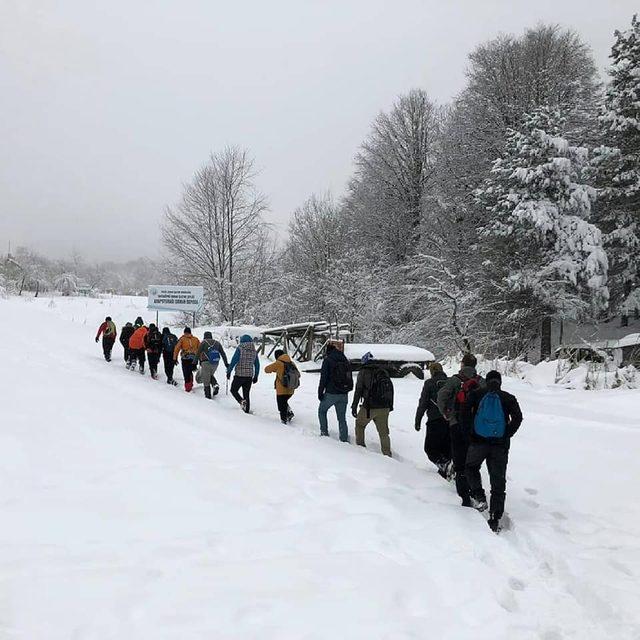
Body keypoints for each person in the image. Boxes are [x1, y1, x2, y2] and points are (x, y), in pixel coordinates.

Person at [463, 370, 523, 531]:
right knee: (498, 480)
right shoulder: (508, 398)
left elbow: (464, 414)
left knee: (470, 466)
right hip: (500, 445)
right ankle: (495, 516)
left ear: (487, 381)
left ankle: (479, 495)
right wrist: (506, 434)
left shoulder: (476, 394)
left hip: (478, 442)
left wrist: (470, 433)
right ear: (500, 382)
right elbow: (518, 417)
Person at [437, 353, 484, 507]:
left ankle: (464, 498)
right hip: (477, 428)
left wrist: (445, 413)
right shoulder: (481, 382)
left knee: (459, 461)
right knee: (472, 462)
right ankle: (476, 492)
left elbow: (441, 395)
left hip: (456, 424)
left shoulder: (455, 380)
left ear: (463, 365)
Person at [351, 352, 394, 457]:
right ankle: (387, 454)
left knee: (360, 425)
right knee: (384, 432)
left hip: (370, 407)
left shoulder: (364, 372)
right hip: (384, 406)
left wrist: (354, 405)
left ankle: (361, 449)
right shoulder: (383, 371)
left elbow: (359, 390)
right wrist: (390, 406)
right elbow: (390, 389)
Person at [415, 362, 453, 480]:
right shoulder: (451, 382)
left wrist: (418, 420)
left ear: (432, 372)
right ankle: (447, 471)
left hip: (434, 420)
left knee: (430, 448)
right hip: (451, 421)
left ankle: (445, 466)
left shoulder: (429, 383)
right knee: (447, 449)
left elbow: (423, 403)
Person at [318, 343, 353, 441]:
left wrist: (320, 392)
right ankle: (344, 438)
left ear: (327, 351)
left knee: (322, 411)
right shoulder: (345, 359)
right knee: (342, 418)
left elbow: (323, 378)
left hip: (331, 393)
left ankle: (324, 433)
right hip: (344, 393)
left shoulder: (328, 360)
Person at [226, 334, 260, 413]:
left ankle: (241, 401)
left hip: (239, 375)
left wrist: (229, 371)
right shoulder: (254, 351)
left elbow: (234, 360)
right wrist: (256, 376)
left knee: (233, 390)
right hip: (249, 376)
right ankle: (246, 411)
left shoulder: (240, 349)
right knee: (246, 394)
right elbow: (257, 364)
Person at [264, 349, 299, 424]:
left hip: (281, 390)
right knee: (284, 402)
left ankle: (284, 421)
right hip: (291, 388)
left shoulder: (278, 363)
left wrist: (276, 369)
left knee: (281, 405)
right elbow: (298, 374)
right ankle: (289, 413)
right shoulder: (291, 363)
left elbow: (266, 369)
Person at [197, 331, 229, 399]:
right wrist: (226, 363)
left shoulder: (204, 342)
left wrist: (194, 363)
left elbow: (198, 353)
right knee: (209, 375)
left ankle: (208, 397)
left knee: (206, 379)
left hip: (205, 363)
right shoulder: (217, 343)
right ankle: (215, 384)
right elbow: (223, 353)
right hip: (215, 363)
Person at [173, 327, 200, 392]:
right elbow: (200, 348)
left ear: (184, 332)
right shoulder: (196, 339)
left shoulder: (182, 339)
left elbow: (177, 349)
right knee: (190, 372)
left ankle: (188, 387)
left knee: (186, 372)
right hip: (194, 358)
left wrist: (175, 358)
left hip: (185, 358)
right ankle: (190, 384)